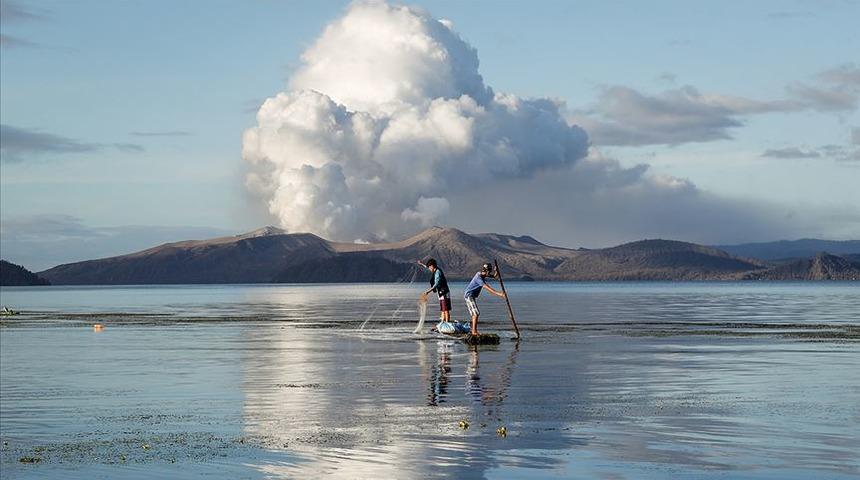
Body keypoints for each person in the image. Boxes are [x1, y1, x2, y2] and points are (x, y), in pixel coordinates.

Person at [464, 263, 506, 335]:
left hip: (471, 296)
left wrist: (496, 272)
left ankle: (473, 330)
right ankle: (474, 332)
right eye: (488, 272)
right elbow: (488, 288)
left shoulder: (483, 274)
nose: (489, 274)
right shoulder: (479, 278)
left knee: (475, 314)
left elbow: (494, 276)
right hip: (469, 296)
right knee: (476, 313)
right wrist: (499, 294)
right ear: (486, 271)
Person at [418, 258, 451, 323]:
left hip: (444, 292)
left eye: (430, 267)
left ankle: (447, 323)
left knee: (446, 309)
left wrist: (428, 291)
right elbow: (427, 266)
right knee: (442, 309)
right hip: (440, 292)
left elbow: (436, 284)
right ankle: (442, 322)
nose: (429, 269)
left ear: (432, 266)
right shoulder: (435, 270)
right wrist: (421, 264)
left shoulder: (438, 272)